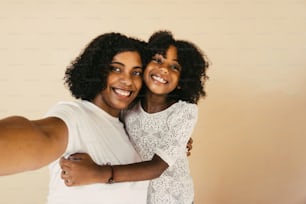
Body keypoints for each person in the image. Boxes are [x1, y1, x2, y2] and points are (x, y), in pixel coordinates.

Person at [60, 30, 209, 204]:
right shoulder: (128, 106)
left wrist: (99, 173)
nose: (163, 69)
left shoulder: (184, 111)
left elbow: (156, 167)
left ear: (182, 80)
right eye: (158, 60)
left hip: (172, 199)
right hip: (134, 196)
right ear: (144, 66)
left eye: (174, 67)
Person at [0, 32, 150, 204]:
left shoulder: (129, 129)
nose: (128, 80)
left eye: (136, 73)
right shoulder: (74, 116)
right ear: (96, 71)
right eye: (116, 69)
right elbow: (39, 134)